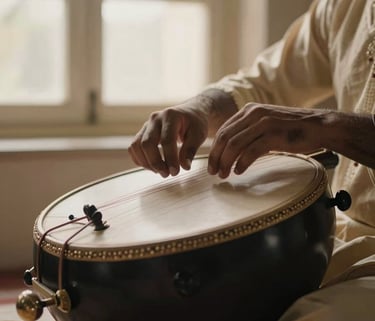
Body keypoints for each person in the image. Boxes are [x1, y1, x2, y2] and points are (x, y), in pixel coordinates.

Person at [129, 0, 375, 319]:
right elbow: (262, 84)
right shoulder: (343, 6)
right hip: (333, 235)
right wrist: (199, 108)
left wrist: (325, 127)